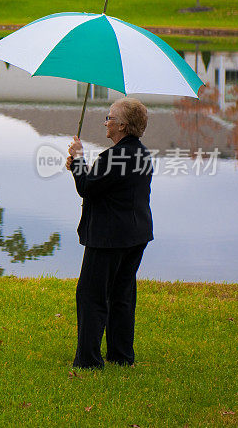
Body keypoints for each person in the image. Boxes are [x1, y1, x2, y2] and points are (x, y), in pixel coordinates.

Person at [65, 97, 153, 369]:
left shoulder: (115, 156)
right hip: (136, 235)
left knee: (91, 295)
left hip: (109, 238)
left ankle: (89, 361)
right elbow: (107, 183)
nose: (106, 121)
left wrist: (78, 158)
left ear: (123, 125)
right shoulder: (140, 153)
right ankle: (121, 355)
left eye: (110, 117)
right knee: (122, 295)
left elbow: (88, 187)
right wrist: (79, 169)